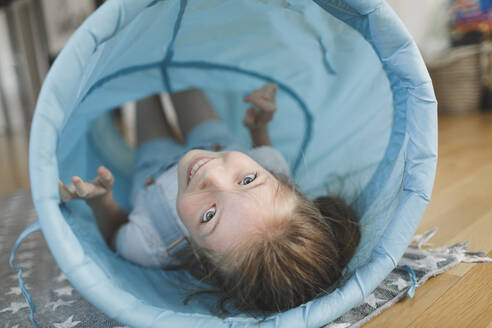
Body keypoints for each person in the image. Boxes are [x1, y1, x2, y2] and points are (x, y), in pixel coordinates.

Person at [58, 83, 361, 316]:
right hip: (214, 143)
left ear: (202, 257)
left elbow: (114, 234)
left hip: (152, 169)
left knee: (144, 89)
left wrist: (100, 201)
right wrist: (259, 126)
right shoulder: (274, 167)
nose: (212, 175)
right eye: (248, 180)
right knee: (183, 81)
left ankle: (147, 82)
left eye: (209, 215)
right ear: (282, 180)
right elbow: (259, 151)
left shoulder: (152, 245)